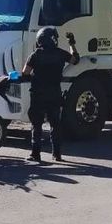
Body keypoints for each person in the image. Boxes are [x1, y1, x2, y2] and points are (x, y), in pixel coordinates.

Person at [21, 27, 79, 162]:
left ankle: (35, 154)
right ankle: (57, 155)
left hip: (38, 94)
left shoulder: (35, 55)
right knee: (55, 125)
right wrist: (72, 43)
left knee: (36, 125)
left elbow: (25, 73)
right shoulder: (60, 54)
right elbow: (75, 60)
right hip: (54, 93)